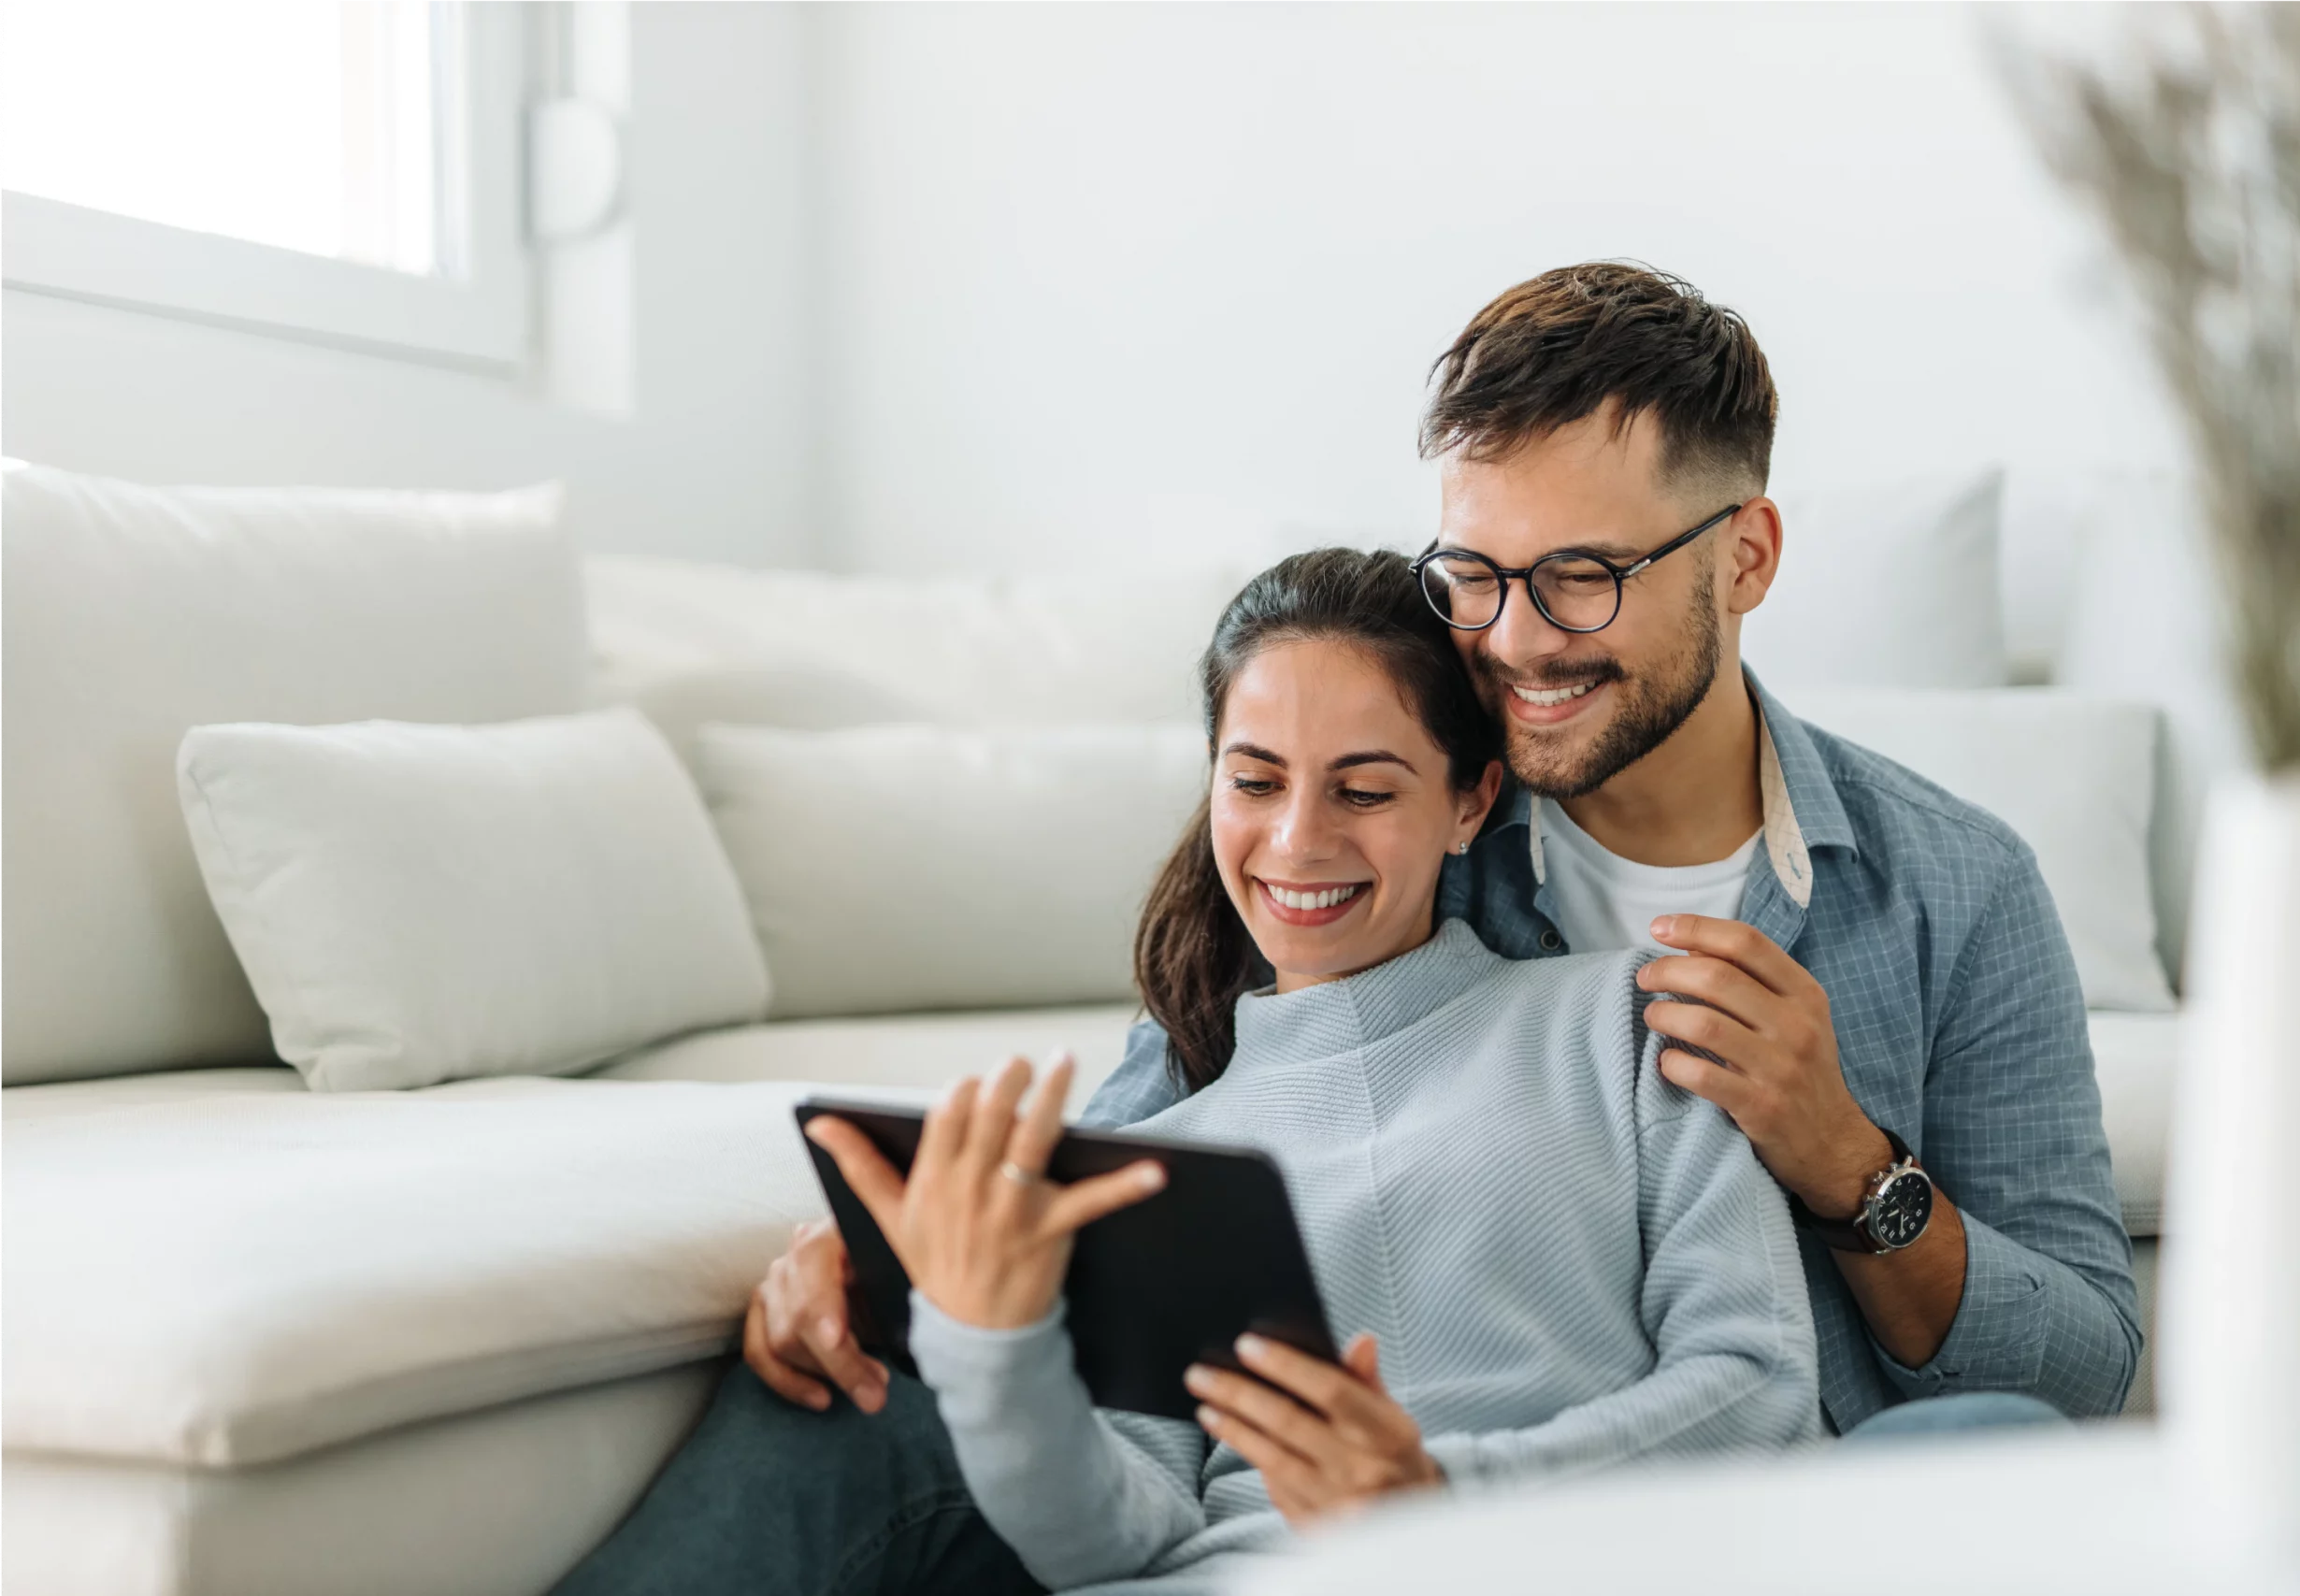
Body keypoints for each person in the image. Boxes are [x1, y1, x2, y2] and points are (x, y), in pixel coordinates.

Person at [749, 262, 2141, 1443]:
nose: (1515, 640)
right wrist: (887, 1255)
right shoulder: (1379, 820)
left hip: (1742, 1499)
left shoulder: (1956, 890)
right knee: (830, 1413)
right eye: (1473, 573)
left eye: (1583, 575)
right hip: (1384, 1482)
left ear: (1748, 558)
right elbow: (1140, 1151)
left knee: (1999, 1439)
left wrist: (1849, 1162)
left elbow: (2077, 1368)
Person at [556, 549, 1821, 1595]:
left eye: (1365, 789)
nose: (1297, 840)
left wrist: (1434, 1498)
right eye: (1255, 780)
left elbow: (1761, 1385)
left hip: (1538, 1567)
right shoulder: (1179, 1139)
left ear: (1472, 796)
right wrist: (989, 1339)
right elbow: (1120, 1538)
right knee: (832, 1393)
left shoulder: (1627, 1024)